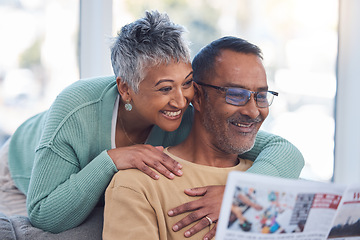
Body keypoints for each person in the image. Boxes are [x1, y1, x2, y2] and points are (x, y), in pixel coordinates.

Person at [0, 11, 303, 239]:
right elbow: (44, 215)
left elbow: (283, 150)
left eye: (186, 84)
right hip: (23, 177)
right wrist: (111, 160)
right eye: (164, 88)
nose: (181, 100)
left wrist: (242, 195)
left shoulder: (188, 107)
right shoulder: (77, 108)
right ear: (126, 89)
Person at [103, 36, 304, 240]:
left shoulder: (275, 181)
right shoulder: (137, 185)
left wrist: (242, 195)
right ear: (197, 97)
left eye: (261, 96)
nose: (253, 112)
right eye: (235, 94)